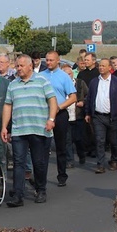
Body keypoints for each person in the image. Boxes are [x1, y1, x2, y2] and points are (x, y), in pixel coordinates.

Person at [1, 54, 57, 207]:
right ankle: (18, 194)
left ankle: (41, 189)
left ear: (30, 66)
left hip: (39, 129)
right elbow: (8, 105)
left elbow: (52, 101)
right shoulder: (13, 84)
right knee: (19, 162)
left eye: (21, 66)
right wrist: (5, 126)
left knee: (39, 162)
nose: (18, 69)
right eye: (17, 66)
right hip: (19, 129)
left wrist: (51, 120)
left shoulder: (42, 81)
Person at [85, 59, 117, 173]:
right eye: (99, 66)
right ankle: (100, 164)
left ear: (110, 68)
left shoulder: (116, 82)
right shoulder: (94, 82)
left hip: (113, 116)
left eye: (103, 66)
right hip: (98, 116)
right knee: (99, 140)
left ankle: (114, 159)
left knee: (114, 141)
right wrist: (88, 113)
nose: (101, 68)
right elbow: (89, 98)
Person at [40, 51, 76, 186]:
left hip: (60, 114)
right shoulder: (40, 76)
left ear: (58, 61)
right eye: (47, 60)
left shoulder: (64, 76)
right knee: (43, 146)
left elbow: (73, 97)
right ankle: (41, 176)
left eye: (51, 60)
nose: (48, 63)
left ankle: (62, 174)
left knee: (61, 146)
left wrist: (59, 107)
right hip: (44, 113)